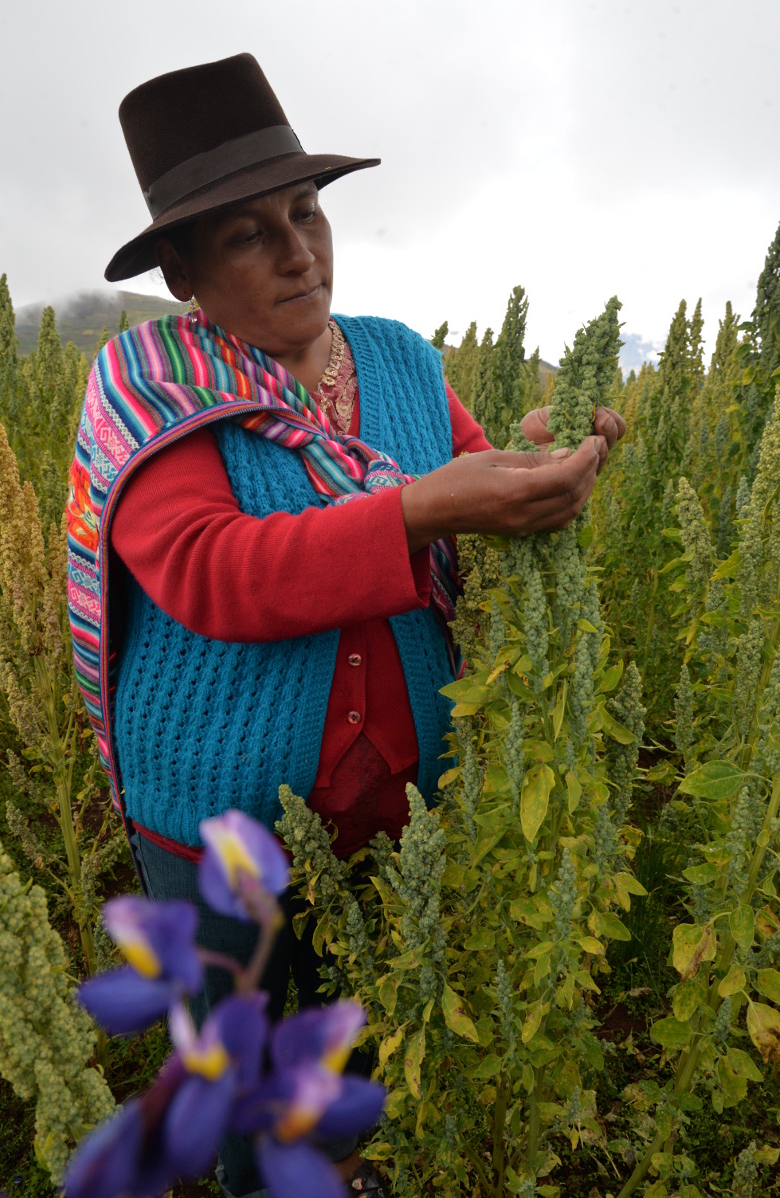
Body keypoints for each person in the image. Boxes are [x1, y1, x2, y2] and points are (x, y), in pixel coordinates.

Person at [66, 53, 625, 1198]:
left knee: (353, 1019)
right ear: (181, 271)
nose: (299, 251)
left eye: (305, 212)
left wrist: (543, 458)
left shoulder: (400, 360)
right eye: (248, 234)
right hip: (218, 821)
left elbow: (473, 485)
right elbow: (215, 572)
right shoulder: (151, 382)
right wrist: (415, 511)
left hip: (390, 806)